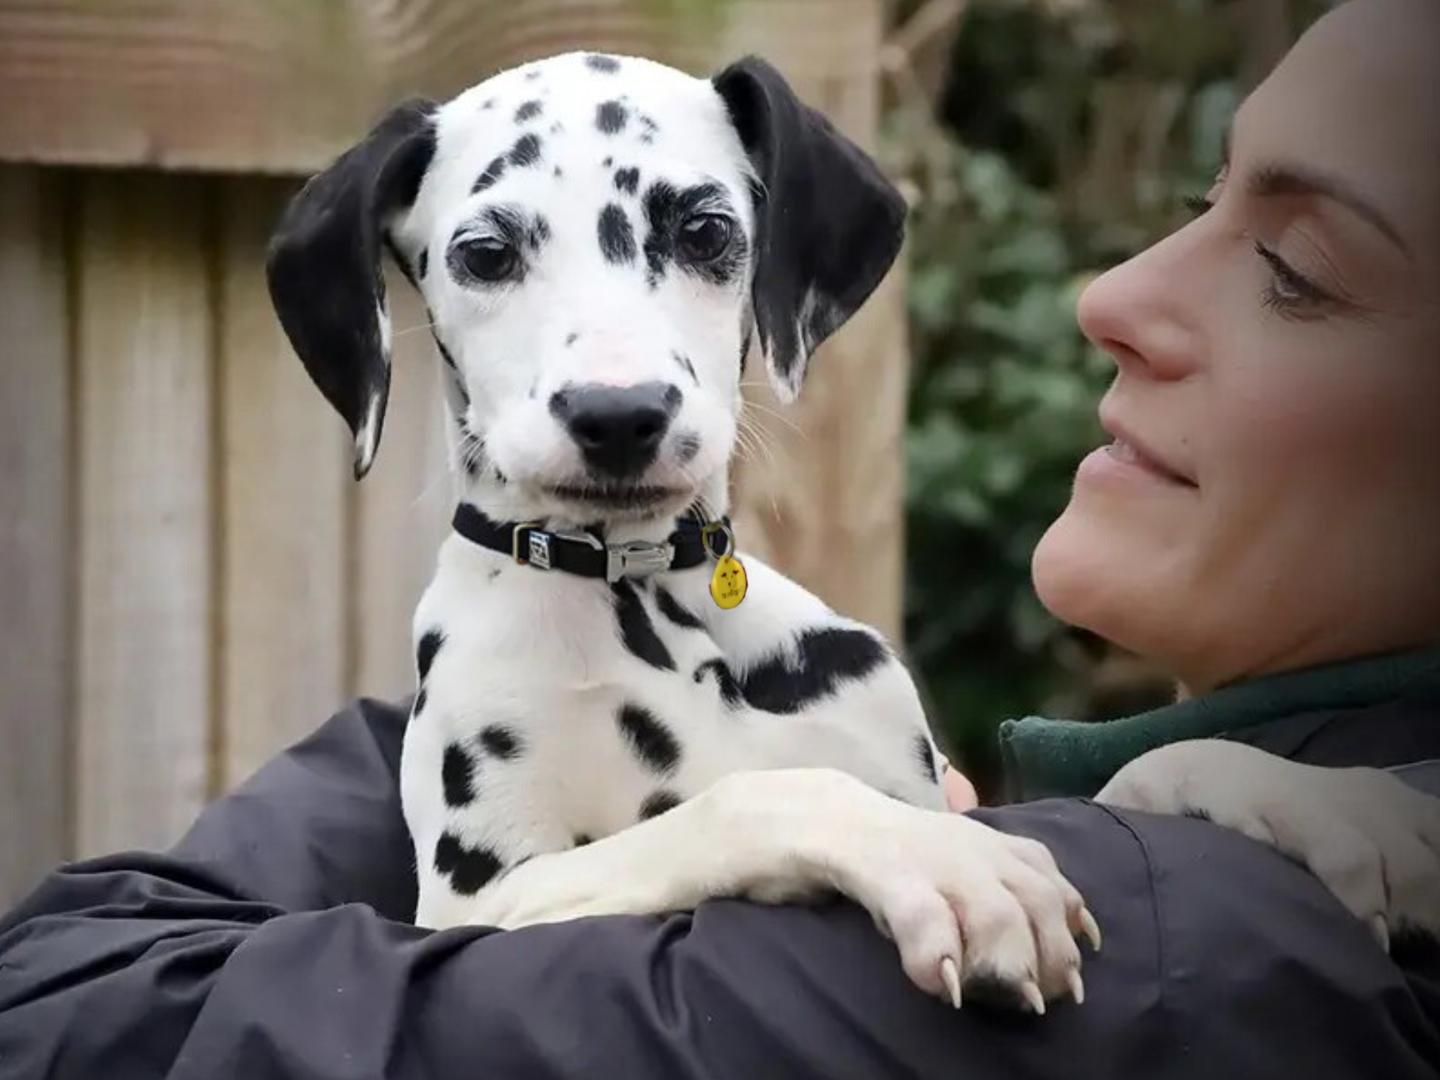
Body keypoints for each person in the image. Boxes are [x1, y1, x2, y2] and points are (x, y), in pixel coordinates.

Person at [1, 0, 1438, 1076]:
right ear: (393, 308)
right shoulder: (569, 683)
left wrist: (1168, 801)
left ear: (782, 274)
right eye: (494, 259)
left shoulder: (1191, 944)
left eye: (697, 241)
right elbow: (472, 948)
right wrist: (788, 818)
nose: (615, 374)